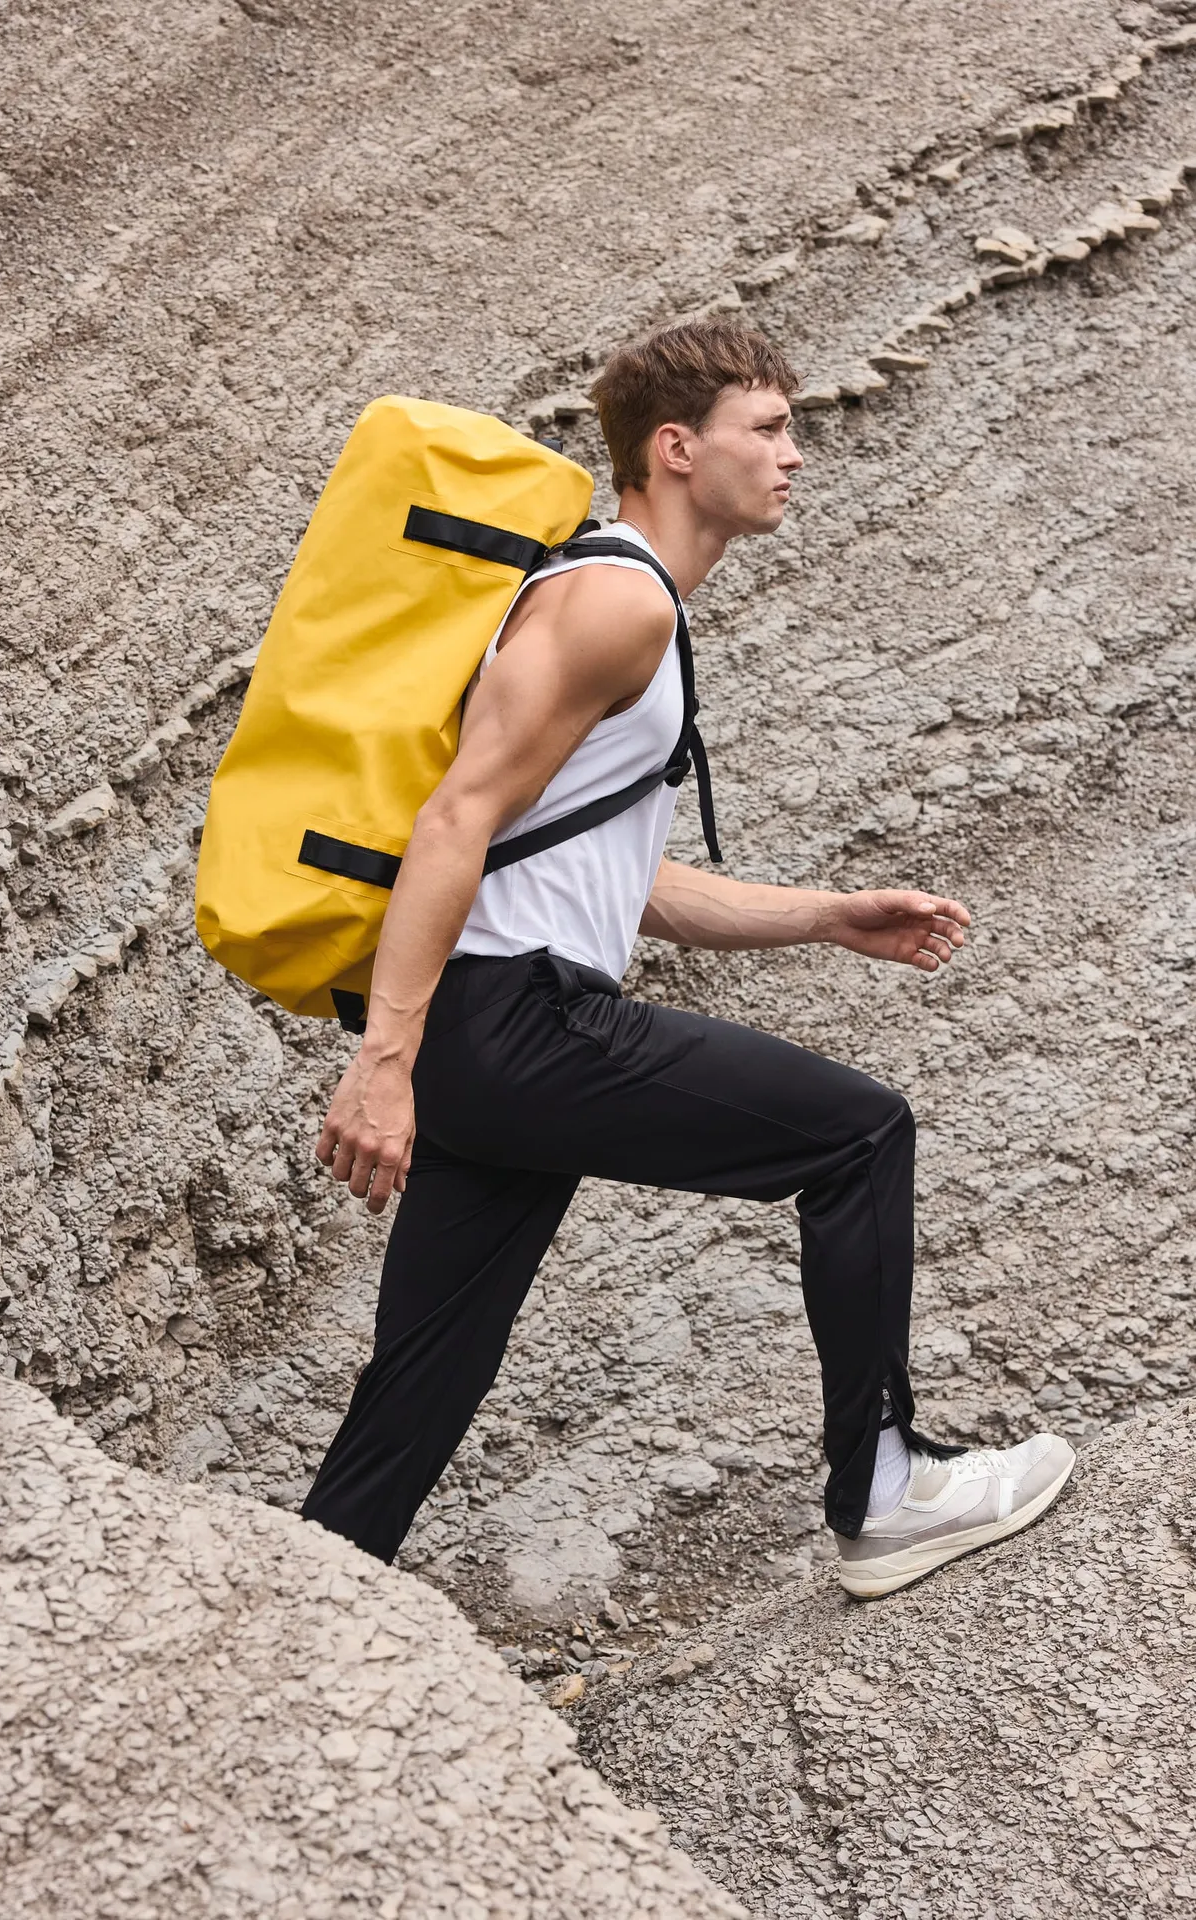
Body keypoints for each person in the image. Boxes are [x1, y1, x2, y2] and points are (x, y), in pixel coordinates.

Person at [302, 317, 1073, 1598]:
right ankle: (885, 1492)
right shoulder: (612, 601)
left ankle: (302, 1607)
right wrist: (384, 1063)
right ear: (676, 448)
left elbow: (601, 877)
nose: (795, 455)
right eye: (767, 428)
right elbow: (454, 821)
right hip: (513, 1022)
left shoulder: (626, 603)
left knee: (429, 1368)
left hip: (495, 1038)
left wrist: (825, 914)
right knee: (858, 1134)